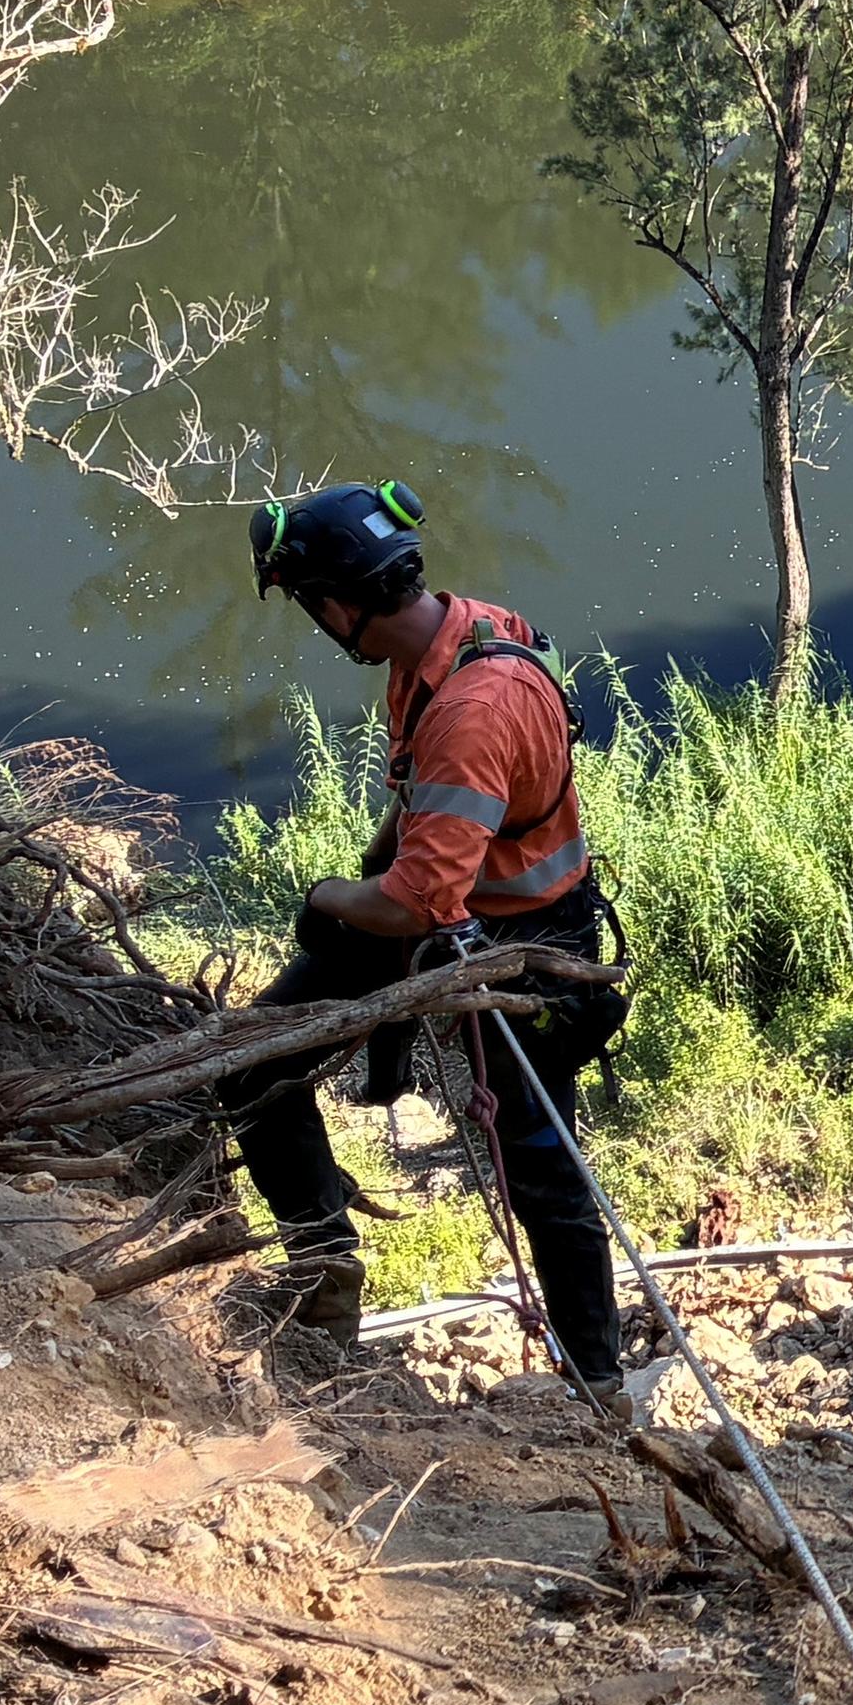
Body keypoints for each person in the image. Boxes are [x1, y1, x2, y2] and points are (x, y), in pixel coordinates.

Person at [226, 483, 628, 1388]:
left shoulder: (472, 710)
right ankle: (322, 1277)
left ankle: (599, 1385)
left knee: (539, 1165)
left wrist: (330, 895)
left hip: (512, 948)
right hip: (461, 912)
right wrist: (356, 889)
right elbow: (419, 814)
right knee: (256, 1062)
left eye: (308, 607)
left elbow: (416, 906)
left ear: (335, 603)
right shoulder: (452, 641)